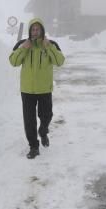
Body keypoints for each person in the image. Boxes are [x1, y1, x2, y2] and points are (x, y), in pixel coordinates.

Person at [9, 17, 65, 159]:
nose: (35, 32)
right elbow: (13, 62)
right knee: (29, 120)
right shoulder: (22, 44)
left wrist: (49, 47)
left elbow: (60, 61)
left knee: (47, 115)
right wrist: (23, 49)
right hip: (27, 90)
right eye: (33, 29)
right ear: (29, 31)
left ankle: (43, 130)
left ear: (42, 30)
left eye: (38, 29)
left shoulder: (51, 44)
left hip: (44, 89)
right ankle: (34, 146)